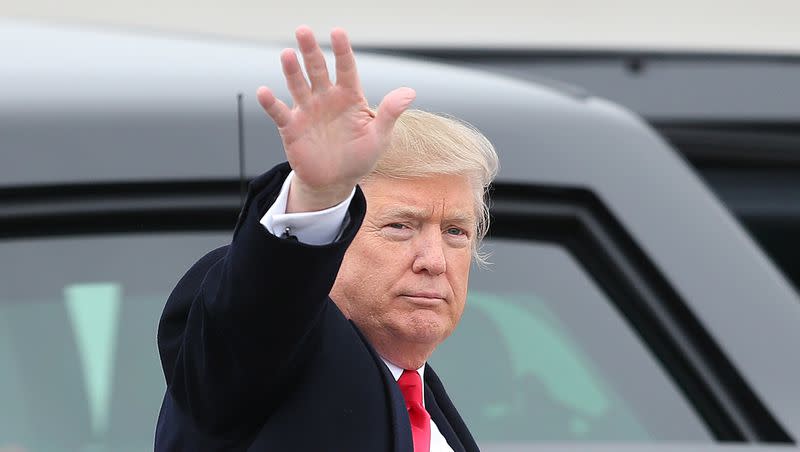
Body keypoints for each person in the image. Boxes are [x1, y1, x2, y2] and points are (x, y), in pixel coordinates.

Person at [155, 25, 498, 452]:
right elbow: (258, 314)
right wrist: (319, 196)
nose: (433, 260)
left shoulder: (432, 409)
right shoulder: (273, 361)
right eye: (400, 226)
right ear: (338, 237)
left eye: (455, 232)